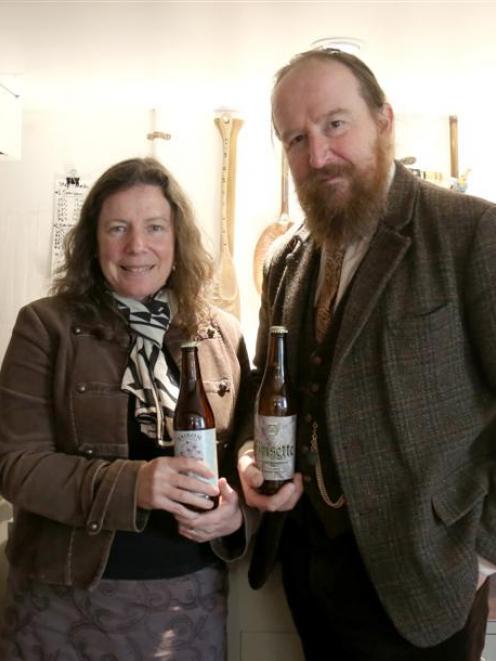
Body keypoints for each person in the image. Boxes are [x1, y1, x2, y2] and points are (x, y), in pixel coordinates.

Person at [237, 48, 496, 660]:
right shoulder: (285, 260)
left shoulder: (471, 233)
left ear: (384, 120)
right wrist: (252, 454)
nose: (318, 155)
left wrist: (485, 550)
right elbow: (263, 390)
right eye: (295, 138)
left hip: (429, 577)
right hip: (309, 567)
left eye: (335, 124)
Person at [0, 156, 253, 660]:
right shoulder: (44, 326)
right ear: (94, 244)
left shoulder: (221, 333)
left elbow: (249, 455)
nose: (137, 246)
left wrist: (238, 515)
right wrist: (133, 484)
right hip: (62, 606)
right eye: (118, 228)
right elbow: (14, 465)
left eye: (155, 227)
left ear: (178, 240)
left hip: (189, 607)